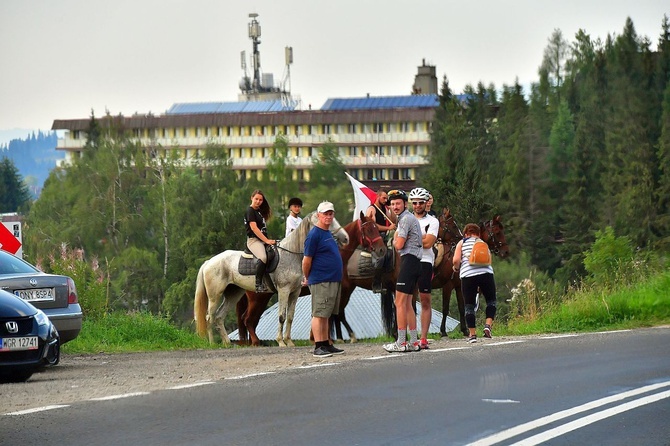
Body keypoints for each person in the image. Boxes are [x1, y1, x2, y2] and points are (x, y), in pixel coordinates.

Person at [302, 201, 345, 358]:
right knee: (319, 313)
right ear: (318, 215)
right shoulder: (314, 235)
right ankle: (318, 346)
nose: (328, 216)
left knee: (326, 313)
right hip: (321, 279)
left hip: (332, 278)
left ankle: (326, 343)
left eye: (330, 213)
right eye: (325, 213)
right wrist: (307, 277)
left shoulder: (327, 232)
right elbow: (307, 260)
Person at [383, 190, 423, 353]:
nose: (395, 207)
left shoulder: (405, 220)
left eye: (398, 203)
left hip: (409, 260)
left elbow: (399, 245)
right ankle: (413, 342)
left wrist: (393, 239)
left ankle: (401, 341)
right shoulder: (407, 218)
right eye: (392, 204)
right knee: (407, 304)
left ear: (405, 204)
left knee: (398, 302)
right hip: (415, 261)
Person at [452, 223, 497, 343]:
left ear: (465, 234)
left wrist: (456, 268)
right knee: (491, 300)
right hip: (486, 273)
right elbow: (489, 259)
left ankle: (472, 334)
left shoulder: (462, 243)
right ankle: (488, 326)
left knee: (469, 305)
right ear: (478, 234)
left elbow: (456, 260)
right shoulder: (483, 243)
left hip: (468, 275)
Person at [409, 187, 439, 349]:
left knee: (425, 300)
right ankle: (411, 336)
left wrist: (409, 238)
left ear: (426, 203)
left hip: (425, 262)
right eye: (415, 203)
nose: (418, 205)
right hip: (407, 262)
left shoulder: (433, 221)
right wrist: (421, 237)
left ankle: (424, 338)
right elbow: (397, 243)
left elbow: (428, 244)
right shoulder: (405, 219)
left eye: (421, 202)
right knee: (405, 301)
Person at [244, 189, 276, 292]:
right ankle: (258, 284)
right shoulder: (250, 211)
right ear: (251, 198)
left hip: (262, 240)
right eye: (256, 199)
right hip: (254, 241)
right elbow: (254, 228)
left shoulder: (258, 212)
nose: (258, 201)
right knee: (263, 257)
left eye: (260, 200)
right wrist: (266, 240)